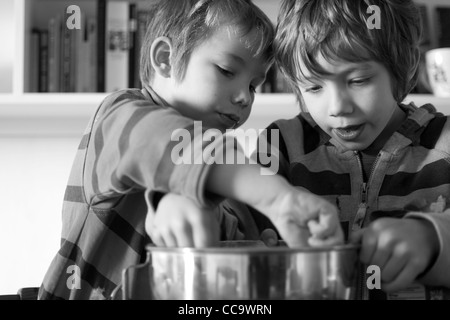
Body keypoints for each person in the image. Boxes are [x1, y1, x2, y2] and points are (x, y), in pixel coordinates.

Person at [38, 0, 343, 300]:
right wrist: (279, 199)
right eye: (226, 70)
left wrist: (258, 256)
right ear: (165, 59)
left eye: (253, 86)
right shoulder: (119, 115)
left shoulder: (227, 174)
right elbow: (174, 145)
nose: (244, 98)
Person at [152, 0, 450, 299]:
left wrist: (432, 239)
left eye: (358, 80)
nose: (337, 107)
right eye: (313, 87)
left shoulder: (444, 142)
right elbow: (237, 232)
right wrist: (189, 207)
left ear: (405, 67)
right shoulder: (280, 144)